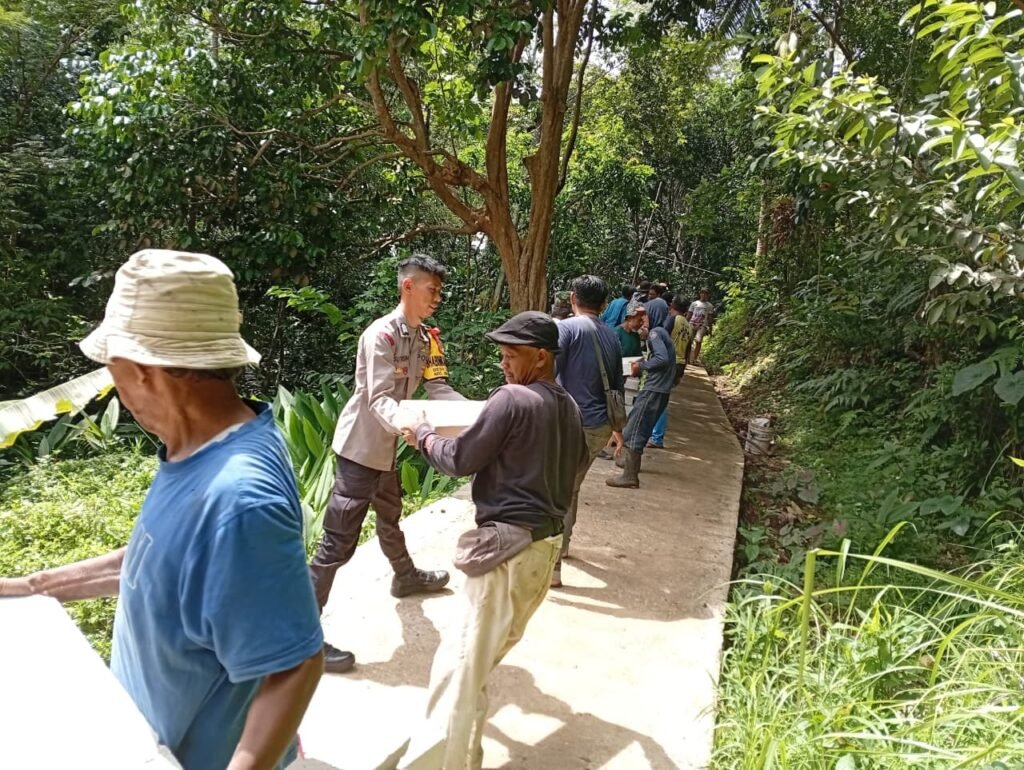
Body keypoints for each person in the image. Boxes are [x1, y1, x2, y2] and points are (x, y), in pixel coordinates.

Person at [0, 250, 325, 770]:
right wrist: (28, 587)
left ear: (146, 372)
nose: (119, 393)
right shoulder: (195, 450)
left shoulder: (238, 501)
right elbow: (159, 559)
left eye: (115, 374)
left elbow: (297, 664)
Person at [391, 311, 587, 770]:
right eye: (501, 354)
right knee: (474, 668)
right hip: (542, 552)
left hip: (508, 553)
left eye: (511, 354)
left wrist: (421, 435)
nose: (503, 363)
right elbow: (574, 466)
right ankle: (464, 759)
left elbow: (460, 458)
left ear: (541, 356)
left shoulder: (512, 400)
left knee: (456, 672)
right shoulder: (569, 407)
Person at [313, 254, 465, 674]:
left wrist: (476, 414)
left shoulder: (427, 338)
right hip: (362, 449)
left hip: (388, 448)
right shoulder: (380, 335)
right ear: (408, 287)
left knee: (390, 515)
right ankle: (301, 638)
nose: (437, 298)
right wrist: (412, 425)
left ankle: (405, 576)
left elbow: (437, 386)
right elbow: (378, 397)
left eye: (438, 291)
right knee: (336, 544)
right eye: (432, 290)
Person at [553, 275, 625, 586]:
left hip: (569, 424)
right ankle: (563, 546)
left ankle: (552, 566)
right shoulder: (612, 336)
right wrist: (618, 430)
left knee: (556, 491)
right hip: (599, 427)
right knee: (572, 488)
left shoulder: (565, 328)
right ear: (604, 305)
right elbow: (618, 385)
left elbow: (548, 374)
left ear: (572, 298)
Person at [606, 298, 674, 489]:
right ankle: (629, 465)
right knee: (640, 428)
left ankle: (629, 476)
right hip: (660, 389)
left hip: (653, 389)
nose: (643, 320)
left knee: (634, 429)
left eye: (646, 315)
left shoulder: (655, 334)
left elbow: (661, 358)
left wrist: (641, 366)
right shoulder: (662, 333)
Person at [648, 296, 693, 449]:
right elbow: (688, 350)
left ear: (672, 305)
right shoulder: (688, 325)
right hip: (679, 363)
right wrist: (682, 371)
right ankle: (656, 436)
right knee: (663, 398)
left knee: (657, 398)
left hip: (668, 362)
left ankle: (656, 436)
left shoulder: (673, 320)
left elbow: (660, 338)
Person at [687, 287, 715, 364]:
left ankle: (694, 359)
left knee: (698, 341)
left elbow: (710, 317)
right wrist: (685, 322)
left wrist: (710, 328)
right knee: (689, 341)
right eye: (702, 293)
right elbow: (689, 314)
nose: (703, 295)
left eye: (705, 293)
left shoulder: (709, 306)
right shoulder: (694, 303)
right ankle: (687, 357)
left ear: (708, 295)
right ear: (700, 294)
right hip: (692, 324)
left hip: (702, 325)